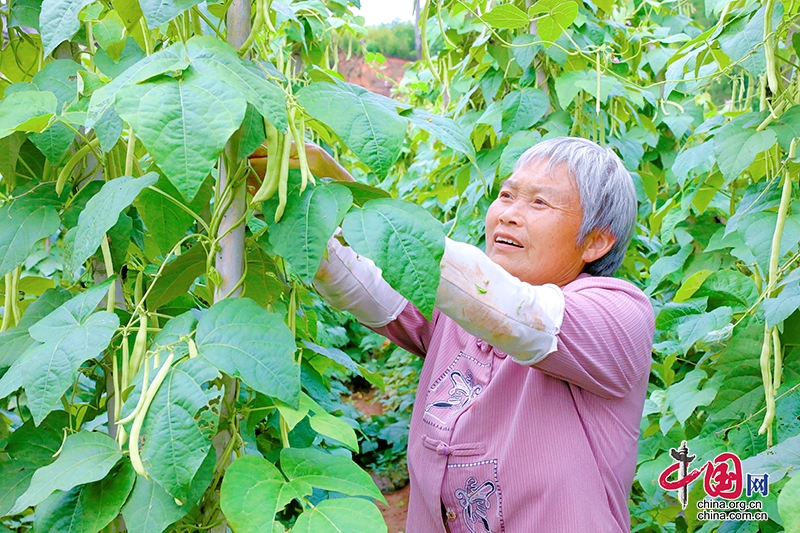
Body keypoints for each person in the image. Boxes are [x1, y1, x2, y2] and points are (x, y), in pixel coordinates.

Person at [252, 136, 655, 532]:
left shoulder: (618, 315)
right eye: (507, 194)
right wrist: (297, 197)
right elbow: (362, 280)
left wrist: (351, 193)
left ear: (596, 241)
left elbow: (518, 315)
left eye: (539, 202)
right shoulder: (457, 310)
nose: (509, 214)